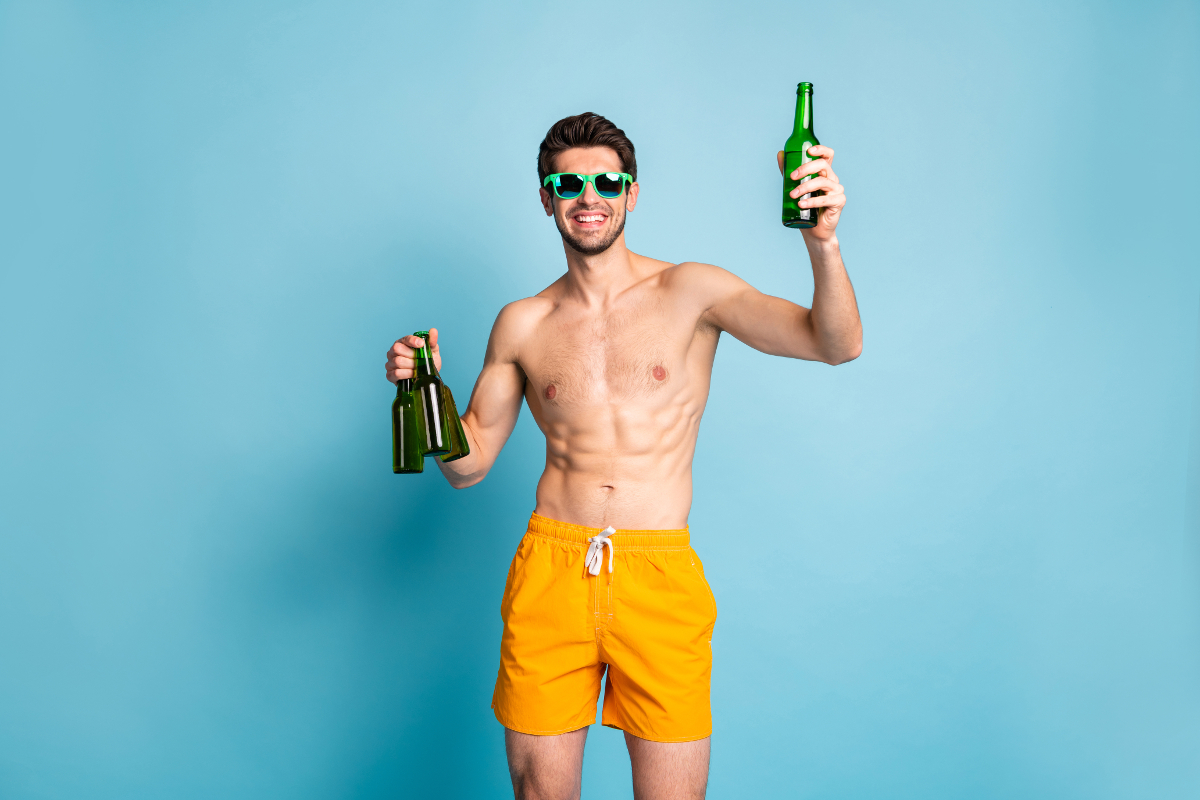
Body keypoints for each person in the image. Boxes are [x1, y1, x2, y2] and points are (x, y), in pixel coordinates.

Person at [385, 112, 860, 800]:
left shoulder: (692, 292)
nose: (589, 196)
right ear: (546, 197)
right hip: (552, 571)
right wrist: (426, 390)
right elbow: (470, 465)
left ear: (631, 193)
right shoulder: (523, 322)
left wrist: (824, 243)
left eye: (607, 181)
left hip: (656, 574)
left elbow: (834, 342)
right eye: (568, 183)